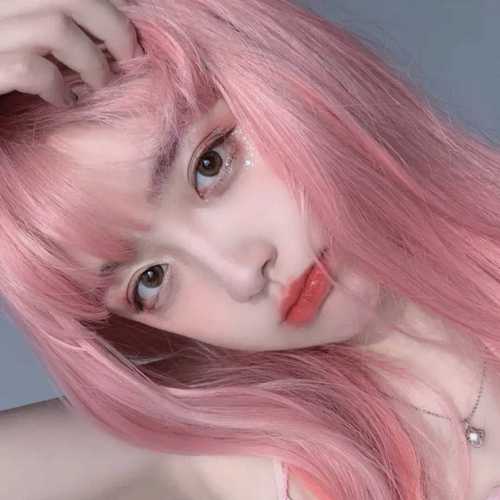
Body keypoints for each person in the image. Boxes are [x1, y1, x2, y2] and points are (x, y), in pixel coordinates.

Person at [1, 0, 500, 499]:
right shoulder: (228, 464)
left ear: (277, 70)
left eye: (210, 165)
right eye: (150, 280)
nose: (241, 274)